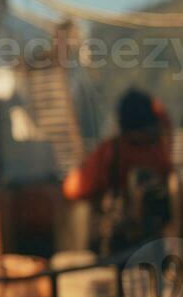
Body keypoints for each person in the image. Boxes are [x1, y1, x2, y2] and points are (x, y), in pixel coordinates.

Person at [64, 89, 176, 243]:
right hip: (154, 244)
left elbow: (73, 189)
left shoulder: (112, 151)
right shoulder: (158, 154)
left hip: (118, 245)